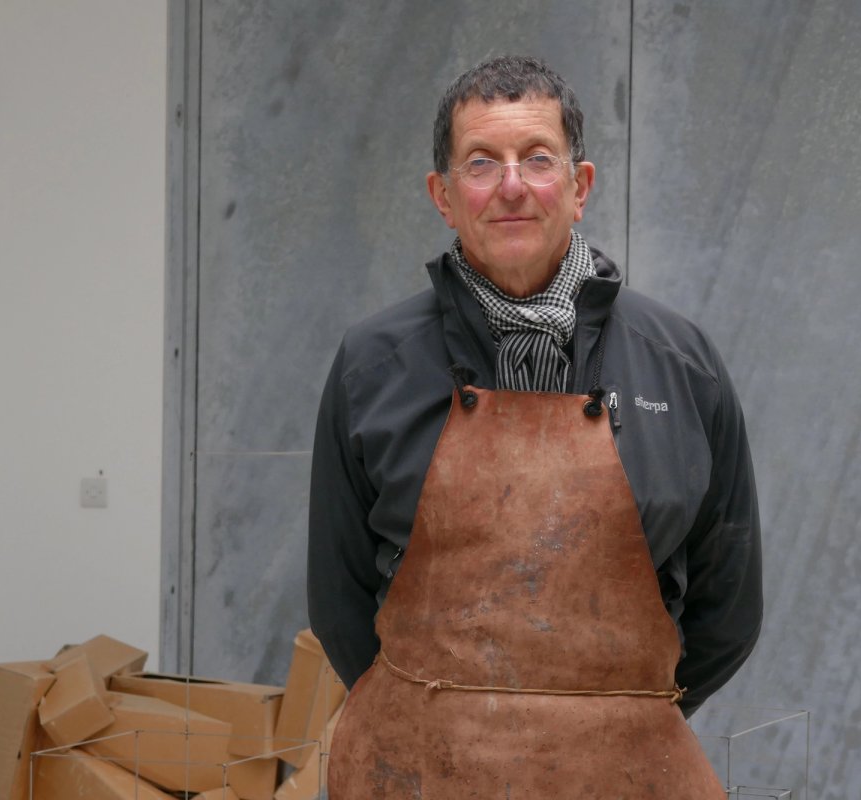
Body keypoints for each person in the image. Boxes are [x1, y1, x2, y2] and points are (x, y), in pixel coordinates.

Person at [308, 54, 762, 796]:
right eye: (481, 164)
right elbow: (339, 598)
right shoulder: (371, 367)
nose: (511, 186)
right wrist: (441, 722)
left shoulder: (683, 364)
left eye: (537, 159)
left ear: (579, 188)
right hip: (419, 775)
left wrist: (609, 723)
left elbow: (729, 605)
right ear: (444, 197)